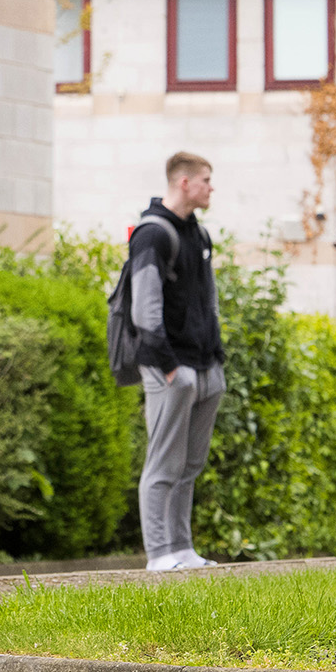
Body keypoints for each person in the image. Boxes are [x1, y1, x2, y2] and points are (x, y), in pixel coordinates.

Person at [126, 152, 224, 573]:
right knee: (163, 463)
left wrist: (215, 361)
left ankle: (182, 548)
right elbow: (144, 310)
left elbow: (210, 302)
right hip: (170, 369)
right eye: (205, 180)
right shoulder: (152, 234)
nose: (210, 187)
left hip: (204, 368)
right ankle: (159, 554)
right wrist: (169, 366)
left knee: (190, 463)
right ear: (184, 183)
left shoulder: (198, 235)